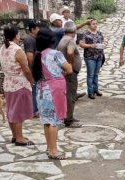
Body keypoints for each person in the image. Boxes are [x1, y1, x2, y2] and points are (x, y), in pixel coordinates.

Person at [32, 28, 73, 159]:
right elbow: (69, 69)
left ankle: (50, 147)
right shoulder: (55, 54)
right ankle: (54, 151)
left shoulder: (38, 55)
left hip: (42, 90)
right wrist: (62, 74)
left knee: (46, 121)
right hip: (54, 90)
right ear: (52, 41)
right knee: (54, 121)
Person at [0, 25, 35, 146]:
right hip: (19, 84)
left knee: (11, 110)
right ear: (16, 36)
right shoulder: (17, 50)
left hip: (8, 82)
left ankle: (15, 135)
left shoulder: (3, 48)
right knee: (18, 112)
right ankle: (19, 138)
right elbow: (26, 69)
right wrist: (31, 80)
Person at [57, 21, 82, 128]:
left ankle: (68, 115)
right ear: (74, 31)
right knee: (71, 95)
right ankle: (69, 120)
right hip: (70, 72)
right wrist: (71, 64)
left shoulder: (63, 39)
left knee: (68, 95)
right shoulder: (71, 40)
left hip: (64, 71)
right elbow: (70, 52)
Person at [79, 18, 104, 99]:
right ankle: (90, 92)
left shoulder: (99, 33)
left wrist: (103, 45)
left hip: (99, 56)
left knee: (96, 74)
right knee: (90, 75)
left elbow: (102, 41)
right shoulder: (85, 33)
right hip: (90, 57)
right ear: (89, 25)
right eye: (93, 24)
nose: (95, 25)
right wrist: (90, 45)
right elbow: (81, 44)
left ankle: (95, 89)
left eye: (96, 24)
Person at [23, 19, 41, 118]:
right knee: (34, 89)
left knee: (36, 89)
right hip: (33, 68)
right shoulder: (29, 39)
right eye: (37, 28)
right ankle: (34, 110)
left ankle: (36, 108)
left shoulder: (35, 38)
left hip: (36, 68)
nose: (39, 29)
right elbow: (29, 56)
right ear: (32, 29)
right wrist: (34, 69)